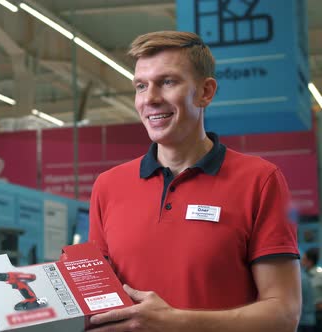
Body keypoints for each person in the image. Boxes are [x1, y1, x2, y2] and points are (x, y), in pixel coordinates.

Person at [88, 31, 301, 332]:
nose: (150, 99)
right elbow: (96, 299)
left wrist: (175, 322)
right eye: (140, 86)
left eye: (168, 82)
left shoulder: (261, 181)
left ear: (206, 92)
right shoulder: (108, 186)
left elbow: (284, 315)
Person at [303, 247, 322, 329]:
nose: (301, 261)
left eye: (304, 259)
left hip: (319, 313)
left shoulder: (320, 275)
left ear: (309, 261)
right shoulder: (303, 275)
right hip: (307, 314)